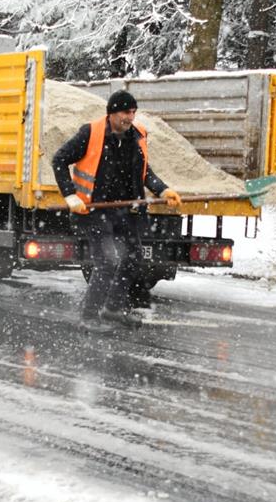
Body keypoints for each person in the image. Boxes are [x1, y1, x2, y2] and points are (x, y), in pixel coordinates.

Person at [52, 90, 182, 330]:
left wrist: (162, 190)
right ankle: (89, 316)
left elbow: (144, 171)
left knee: (132, 259)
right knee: (108, 261)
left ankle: (113, 309)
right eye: (125, 112)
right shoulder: (90, 133)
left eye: (133, 112)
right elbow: (59, 159)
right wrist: (70, 195)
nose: (130, 117)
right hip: (95, 210)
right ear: (111, 113)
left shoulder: (138, 135)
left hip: (127, 210)